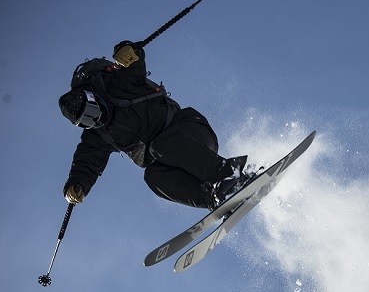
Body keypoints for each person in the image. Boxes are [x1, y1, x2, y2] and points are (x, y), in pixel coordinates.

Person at [58, 41, 255, 210]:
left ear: (94, 98)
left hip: (191, 131)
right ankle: (214, 198)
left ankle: (229, 175)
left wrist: (128, 51)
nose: (95, 119)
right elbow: (86, 162)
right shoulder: (98, 134)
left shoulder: (118, 85)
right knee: (153, 176)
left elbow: (134, 66)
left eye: (92, 111)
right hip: (170, 158)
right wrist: (76, 185)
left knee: (161, 145)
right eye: (86, 121)